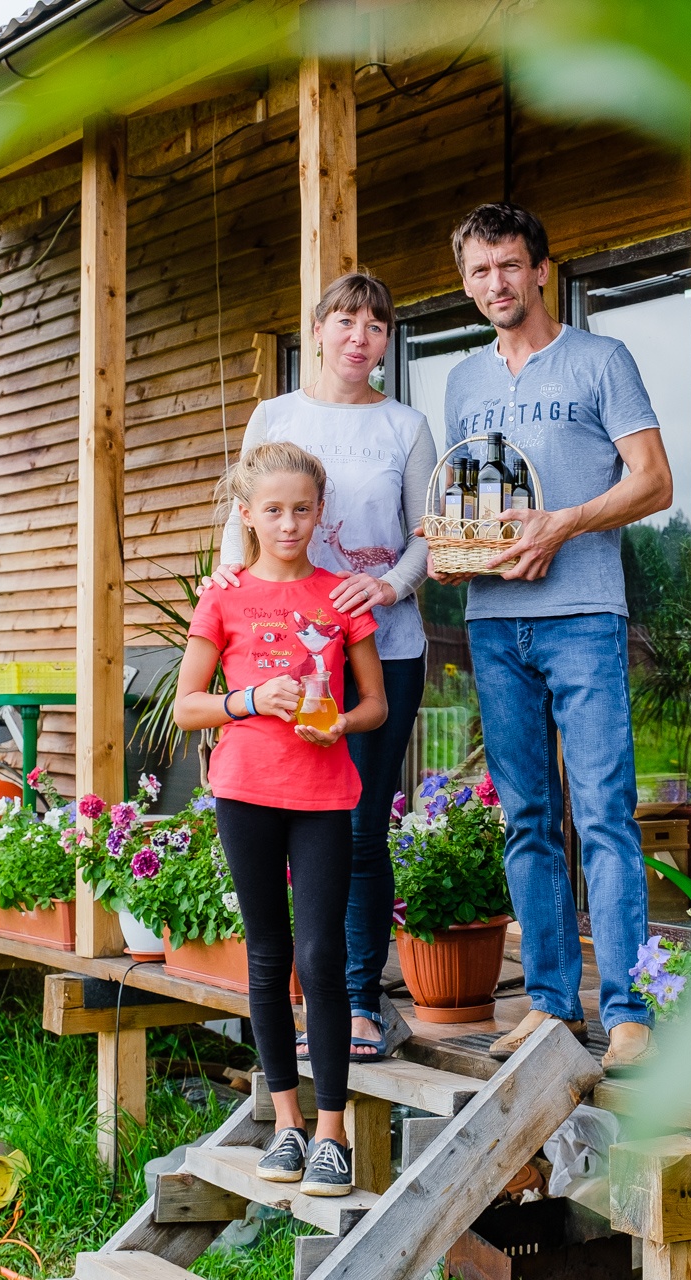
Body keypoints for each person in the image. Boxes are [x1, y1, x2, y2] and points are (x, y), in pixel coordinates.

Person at [435, 203, 673, 1075]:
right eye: (478, 272)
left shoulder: (602, 361)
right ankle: (546, 1005)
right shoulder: (462, 382)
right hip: (493, 626)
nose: (495, 284)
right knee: (528, 818)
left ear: (541, 269)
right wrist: (455, 557)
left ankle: (628, 1010)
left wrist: (563, 525)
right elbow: (471, 508)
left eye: (509, 266)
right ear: (466, 284)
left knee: (606, 814)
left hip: (583, 618)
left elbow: (653, 483)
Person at [206, 271, 436, 1061]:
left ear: (386, 339)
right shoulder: (277, 415)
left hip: (380, 647)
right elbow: (243, 516)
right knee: (284, 831)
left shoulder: (405, 425)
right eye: (345, 320)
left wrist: (392, 583)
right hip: (280, 655)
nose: (359, 335)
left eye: (375, 323)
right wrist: (223, 584)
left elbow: (429, 532)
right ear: (318, 329)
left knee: (361, 827)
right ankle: (299, 998)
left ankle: (360, 1001)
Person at [175, 441, 388, 1195]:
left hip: (324, 795)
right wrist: (250, 701)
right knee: (267, 960)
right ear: (248, 515)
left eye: (302, 509)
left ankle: (332, 1133)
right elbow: (187, 703)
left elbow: (376, 705)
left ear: (319, 512)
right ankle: (287, 1125)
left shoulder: (340, 597)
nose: (289, 522)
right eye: (273, 510)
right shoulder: (223, 596)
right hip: (244, 793)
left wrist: (342, 726)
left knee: (320, 957)